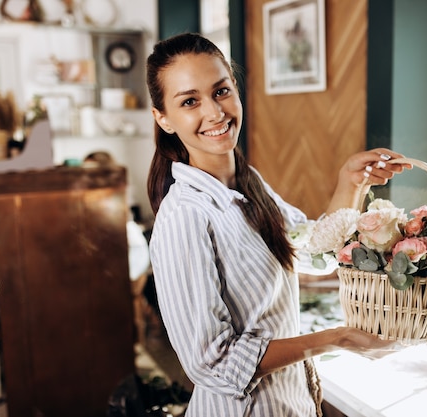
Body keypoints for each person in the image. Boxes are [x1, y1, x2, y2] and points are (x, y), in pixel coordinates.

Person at [146, 32, 408, 417]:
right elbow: (213, 364)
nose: (215, 113)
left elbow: (312, 251)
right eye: (190, 101)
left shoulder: (248, 183)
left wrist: (351, 182)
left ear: (235, 89)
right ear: (163, 118)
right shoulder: (184, 216)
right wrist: (333, 339)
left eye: (220, 91)